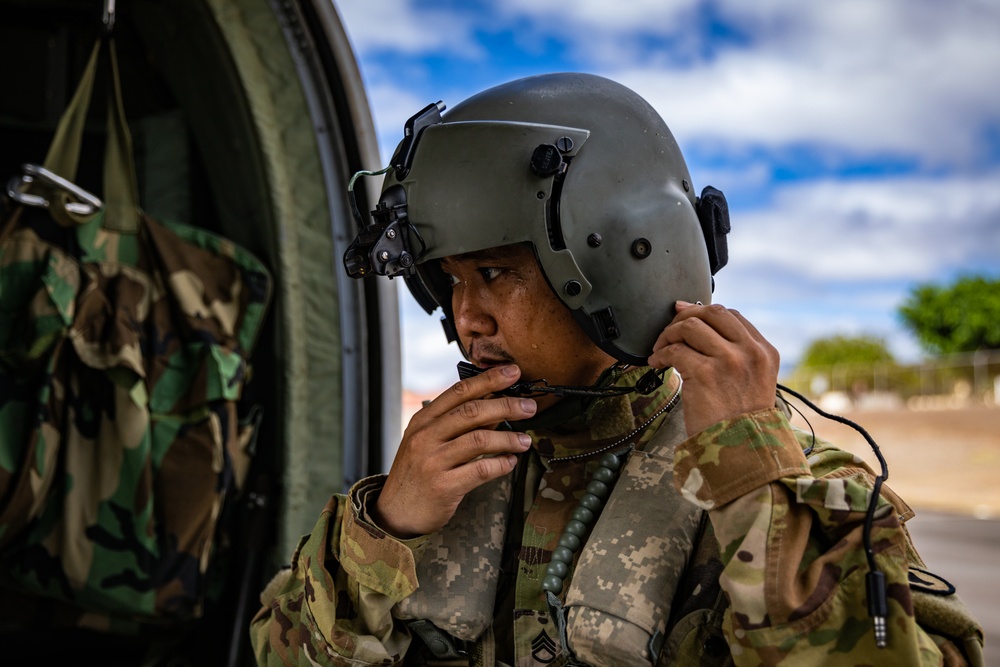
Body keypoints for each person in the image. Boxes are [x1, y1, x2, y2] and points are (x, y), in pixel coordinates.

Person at [250, 73, 984, 666]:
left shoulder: (790, 484)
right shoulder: (442, 471)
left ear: (617, 261)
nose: (465, 316)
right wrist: (384, 527)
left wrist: (755, 482)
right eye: (450, 281)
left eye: (497, 272)